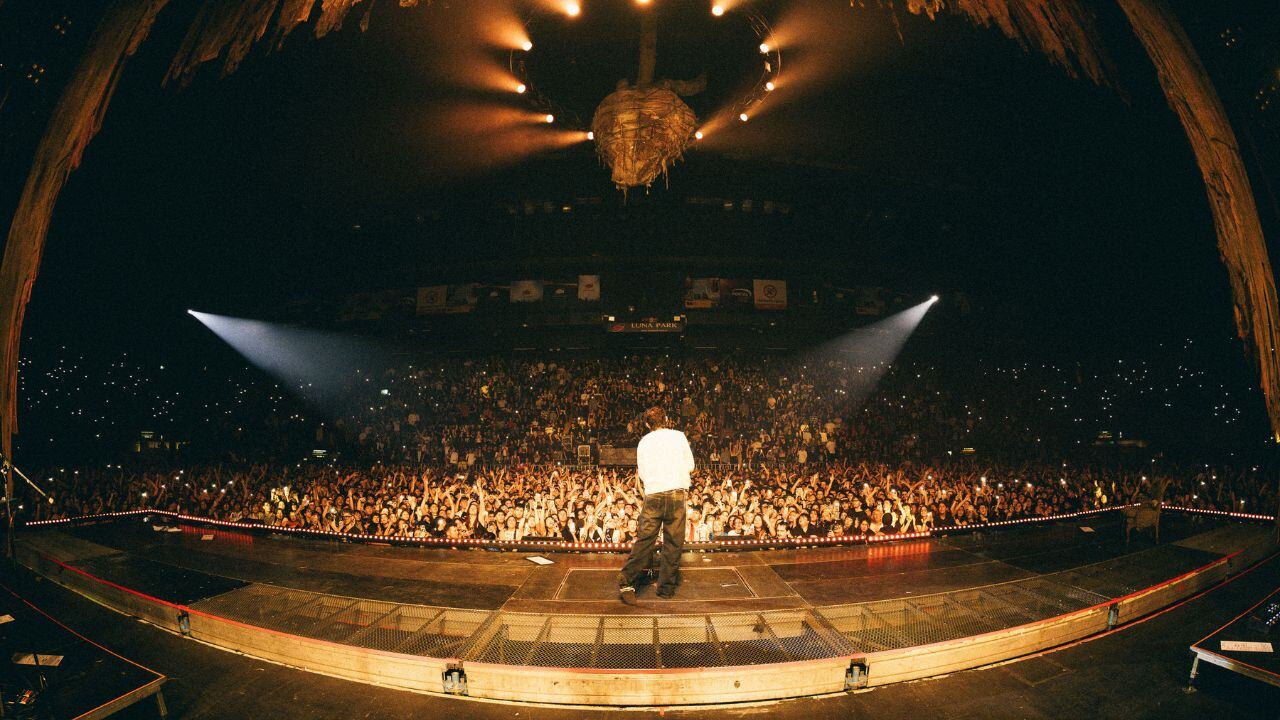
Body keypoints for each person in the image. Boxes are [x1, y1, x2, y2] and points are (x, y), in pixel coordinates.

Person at [618, 406, 693, 605]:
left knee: (645, 540)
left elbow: (642, 474)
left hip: (653, 495)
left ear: (647, 424)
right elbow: (691, 466)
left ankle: (626, 580)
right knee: (673, 543)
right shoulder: (679, 436)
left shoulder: (643, 442)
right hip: (677, 493)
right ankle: (666, 589)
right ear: (666, 419)